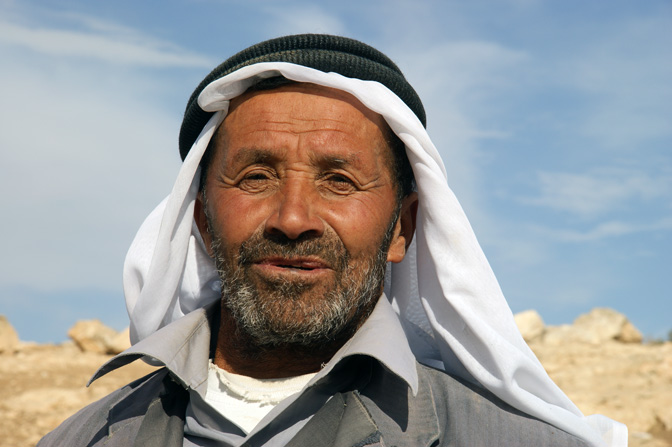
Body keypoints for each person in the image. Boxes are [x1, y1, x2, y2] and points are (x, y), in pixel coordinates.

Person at [38, 34, 626, 447]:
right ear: (200, 222)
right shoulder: (84, 438)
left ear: (403, 229)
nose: (293, 219)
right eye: (256, 177)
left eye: (339, 181)